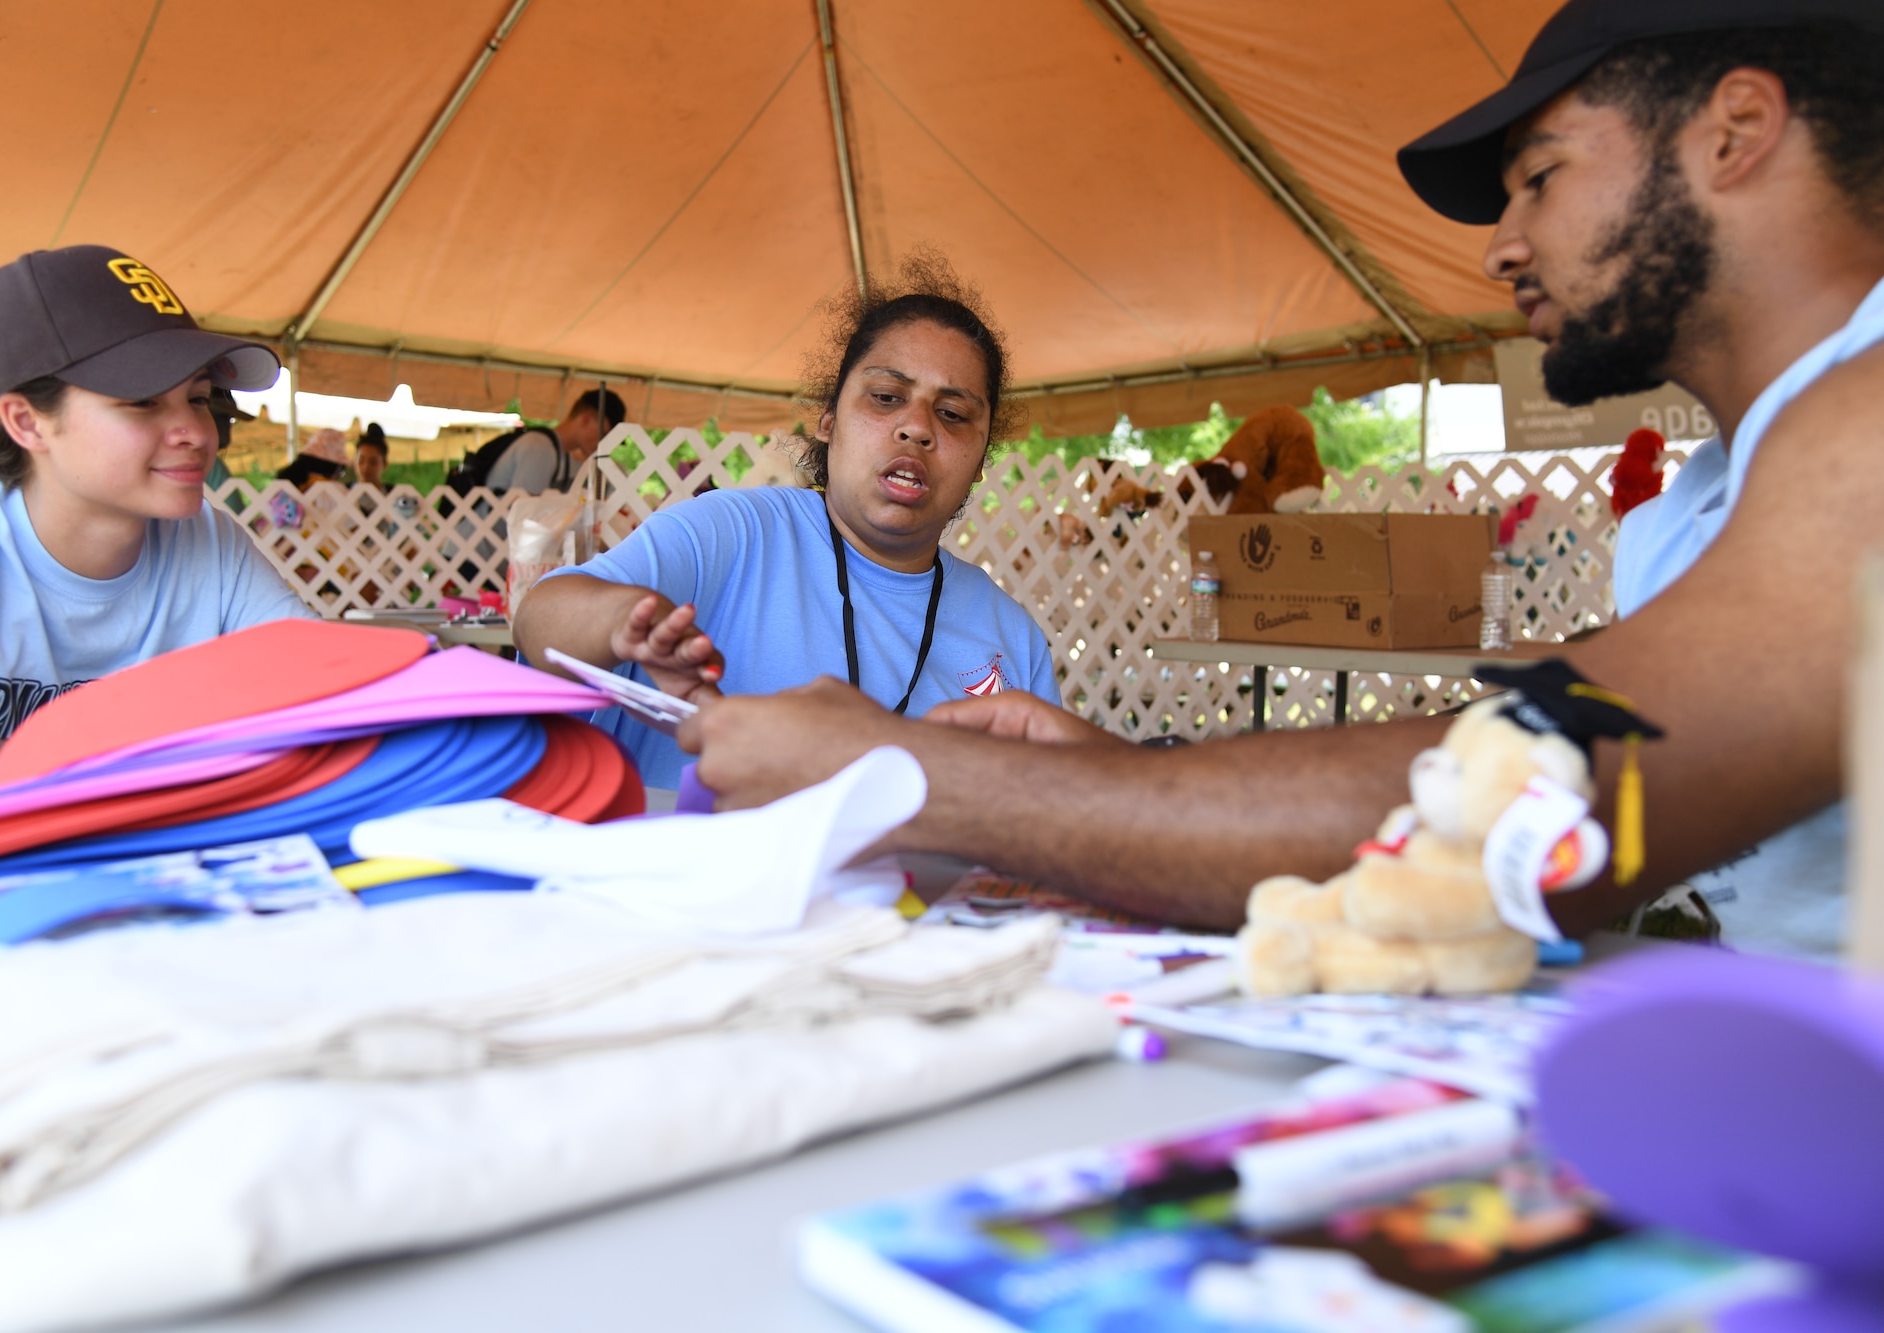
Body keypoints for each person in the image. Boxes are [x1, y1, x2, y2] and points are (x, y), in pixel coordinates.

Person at [676, 0, 1884, 961]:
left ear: (1732, 130)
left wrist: (905, 774)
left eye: (1540, 175)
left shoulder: (1867, 422)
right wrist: (1103, 774)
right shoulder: (1698, 507)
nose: (1500, 243)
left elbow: (1532, 805)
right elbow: (1489, 772)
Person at [514, 258, 1063, 790]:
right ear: (828, 422)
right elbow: (540, 621)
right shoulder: (731, 533)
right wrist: (624, 621)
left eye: (953, 414)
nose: (917, 428)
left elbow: (1046, 815)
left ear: (981, 459)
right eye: (887, 397)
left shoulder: (1010, 636)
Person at [0, 244, 310, 815]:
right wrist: (98, 761)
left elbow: (343, 692)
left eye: (200, 398)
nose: (194, 430)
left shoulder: (211, 543)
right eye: (141, 401)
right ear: (27, 421)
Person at [483, 388, 625, 495]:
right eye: (604, 434)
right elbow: (527, 515)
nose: (606, 443)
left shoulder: (548, 447)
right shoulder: (541, 449)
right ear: (585, 419)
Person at [354, 422, 389, 489]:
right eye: (361, 461)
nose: (366, 467)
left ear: (384, 464)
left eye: (373, 462)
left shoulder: (395, 495)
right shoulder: (342, 491)